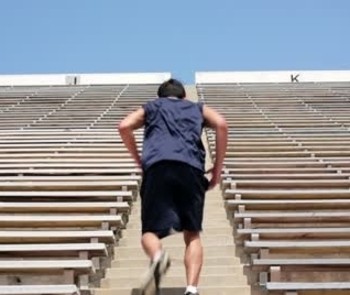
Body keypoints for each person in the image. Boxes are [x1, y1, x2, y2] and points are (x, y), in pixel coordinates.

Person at [118, 78, 227, 295]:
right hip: (191, 168)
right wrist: (216, 167)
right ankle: (191, 289)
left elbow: (124, 126)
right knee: (192, 233)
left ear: (160, 96)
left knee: (150, 231)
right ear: (183, 96)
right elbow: (222, 124)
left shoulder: (152, 107)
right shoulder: (196, 107)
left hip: (158, 167)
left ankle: (158, 257)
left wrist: (138, 159)